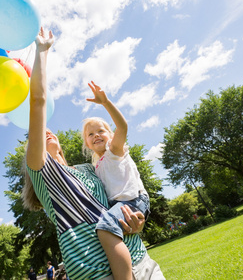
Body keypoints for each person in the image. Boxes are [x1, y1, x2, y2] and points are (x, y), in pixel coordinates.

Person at [24, 27, 165, 279]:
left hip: (142, 264)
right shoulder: (44, 174)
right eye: (36, 135)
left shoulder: (91, 168)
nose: (44, 130)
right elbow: (38, 101)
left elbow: (120, 200)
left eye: (49, 129)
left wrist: (138, 221)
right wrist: (42, 51)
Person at [82, 81, 151, 280]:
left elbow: (123, 126)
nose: (96, 135)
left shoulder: (114, 151)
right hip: (121, 204)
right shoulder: (97, 166)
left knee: (104, 227)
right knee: (105, 229)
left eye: (101, 131)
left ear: (111, 135)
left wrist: (105, 102)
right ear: (87, 143)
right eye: (91, 134)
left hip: (133, 200)